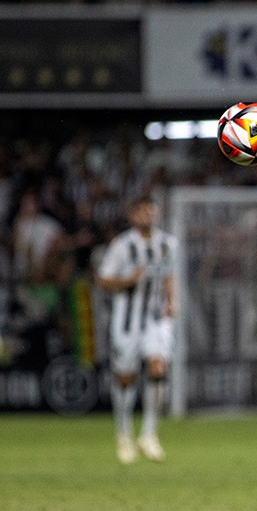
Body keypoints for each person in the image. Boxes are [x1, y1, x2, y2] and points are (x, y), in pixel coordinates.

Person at [97, 197, 177, 464]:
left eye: (151, 211)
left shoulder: (167, 243)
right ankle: (123, 434)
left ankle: (149, 434)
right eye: (142, 212)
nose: (148, 216)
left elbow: (169, 274)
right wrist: (128, 281)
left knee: (158, 366)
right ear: (132, 216)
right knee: (125, 377)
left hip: (156, 319)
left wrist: (172, 300)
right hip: (126, 321)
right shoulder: (122, 245)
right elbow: (103, 280)